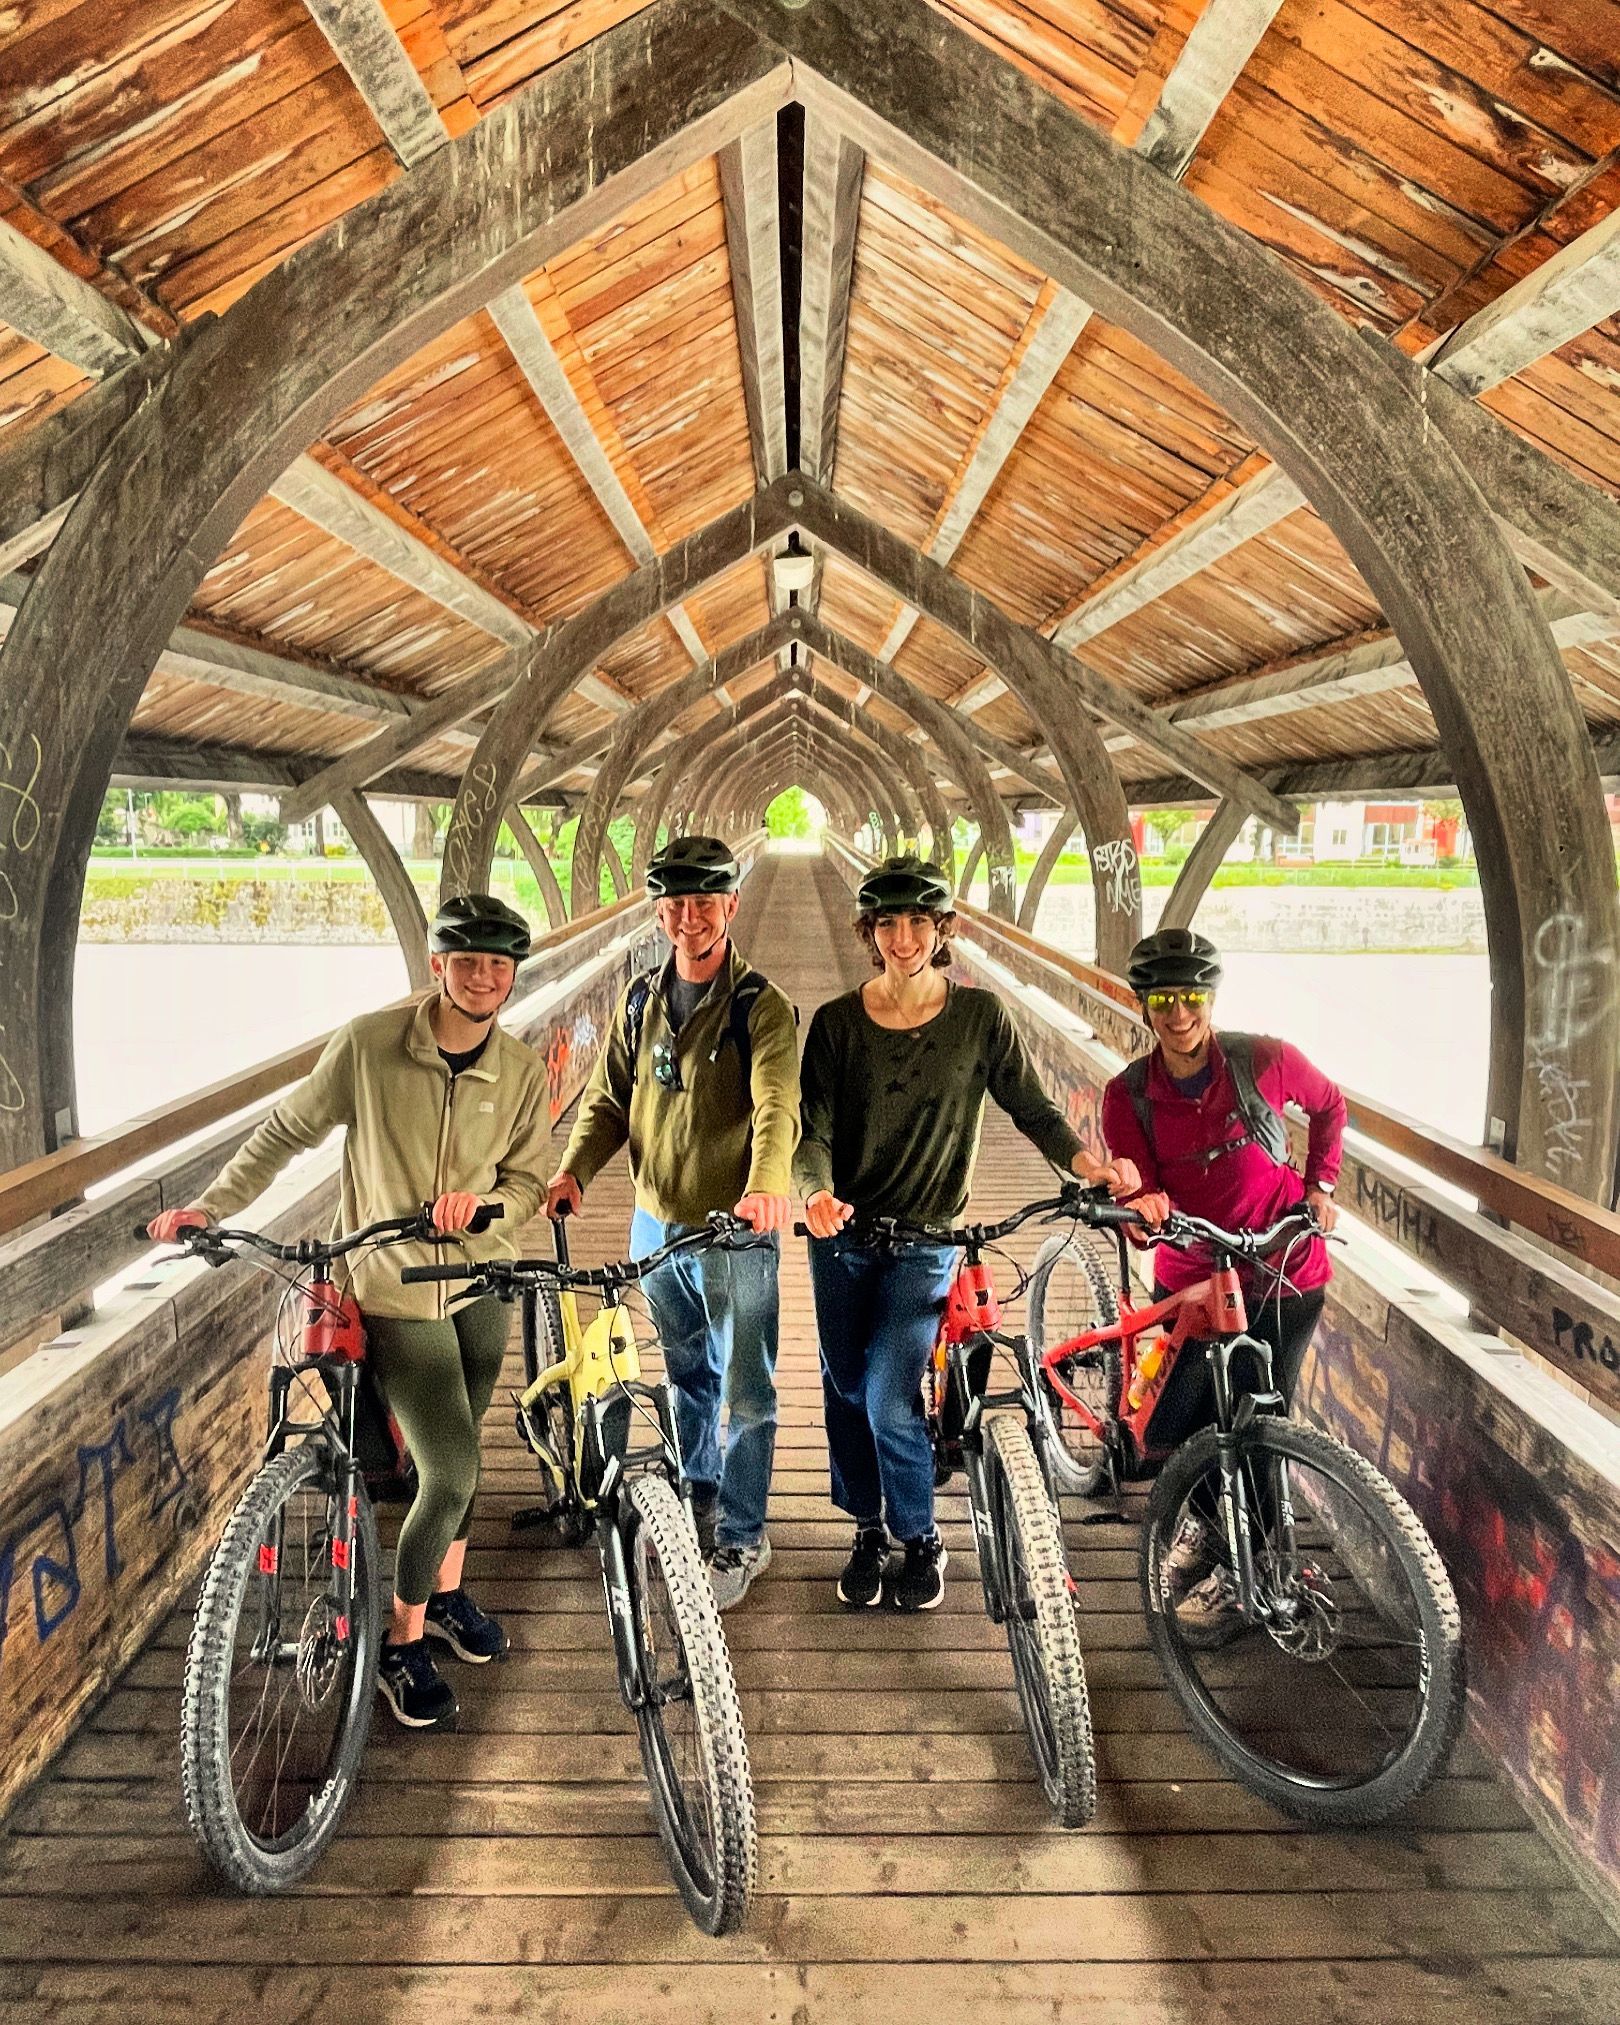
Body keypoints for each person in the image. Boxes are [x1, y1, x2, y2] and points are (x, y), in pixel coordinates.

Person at [148, 893, 551, 1730]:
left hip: (483, 1283)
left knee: (465, 1450)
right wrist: (211, 1204)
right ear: (436, 966)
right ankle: (401, 1643)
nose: (482, 978)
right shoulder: (369, 1046)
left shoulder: (518, 1068)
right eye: (465, 961)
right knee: (449, 1469)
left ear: (513, 976)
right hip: (395, 1285)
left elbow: (527, 1183)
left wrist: (485, 1207)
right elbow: (286, 1129)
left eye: (498, 965)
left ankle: (445, 1595)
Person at [796, 856, 1141, 1613]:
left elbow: (1035, 1108)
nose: (904, 937)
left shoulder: (979, 1019)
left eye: (920, 921)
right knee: (845, 1389)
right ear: (868, 932)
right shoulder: (835, 1024)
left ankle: (919, 1534)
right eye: (887, 922)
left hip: (926, 1241)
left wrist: (1086, 1162)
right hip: (844, 1239)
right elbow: (811, 1130)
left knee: (889, 1394)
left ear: (943, 929)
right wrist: (814, 1191)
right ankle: (866, 1527)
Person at [546, 836, 799, 1610]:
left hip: (734, 1232)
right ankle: (699, 1487)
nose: (689, 917)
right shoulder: (636, 1002)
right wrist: (574, 1170)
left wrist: (765, 1187)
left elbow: (776, 1105)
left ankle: (745, 1534)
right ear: (660, 912)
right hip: (654, 1229)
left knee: (747, 1388)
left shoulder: (764, 1006)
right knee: (687, 1374)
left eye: (704, 902)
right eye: (675, 904)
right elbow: (607, 1102)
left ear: (730, 905)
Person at [1101, 926, 1346, 1640]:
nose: (1179, 1013)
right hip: (1192, 1286)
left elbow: (1329, 1105)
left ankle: (1251, 1572)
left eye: (1191, 996)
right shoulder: (1129, 1096)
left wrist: (1321, 1183)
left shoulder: (1265, 1059)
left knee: (1260, 1423)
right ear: (1144, 1005)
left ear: (1210, 997)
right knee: (1183, 1426)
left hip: (1283, 1274)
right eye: (1163, 999)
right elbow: (1136, 1194)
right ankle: (1209, 1531)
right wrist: (1141, 1217)